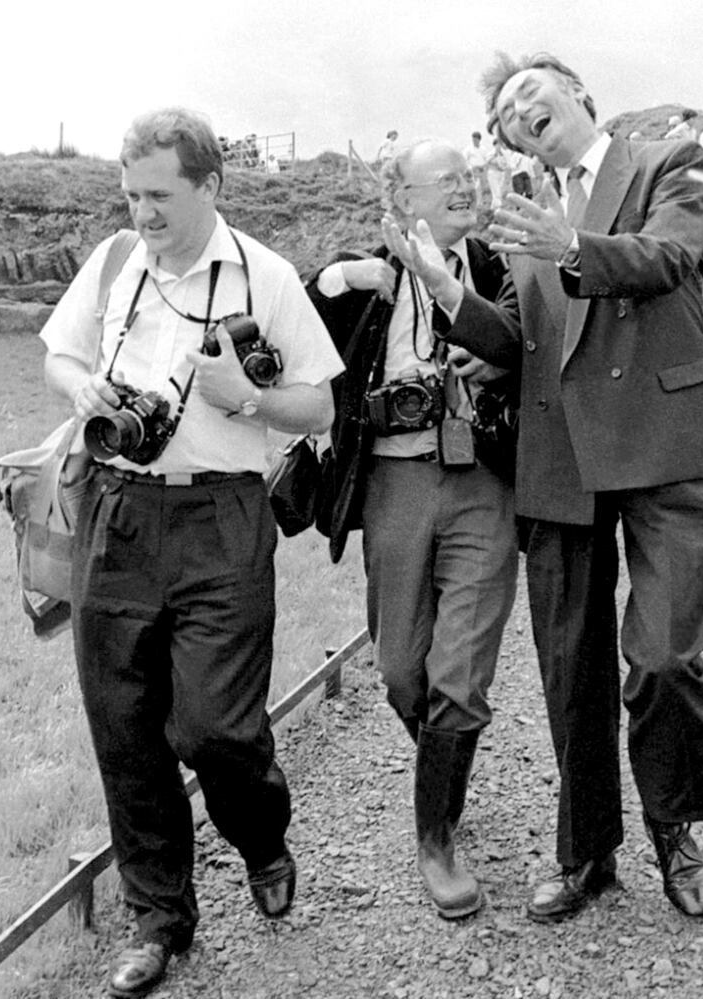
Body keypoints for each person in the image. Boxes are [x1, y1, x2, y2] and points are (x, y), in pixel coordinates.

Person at [384, 52, 703, 926]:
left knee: (664, 656)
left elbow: (669, 257)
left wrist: (572, 245)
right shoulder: (524, 213)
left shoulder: (669, 159)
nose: (519, 112)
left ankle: (674, 827)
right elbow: (523, 338)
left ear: (579, 95)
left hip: (667, 440)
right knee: (571, 668)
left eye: (530, 93)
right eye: (507, 114)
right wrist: (448, 293)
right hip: (560, 455)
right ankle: (586, 849)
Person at [39, 107, 344, 998]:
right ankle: (158, 918)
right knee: (125, 729)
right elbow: (58, 355)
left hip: (222, 517)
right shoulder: (110, 264)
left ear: (211, 186)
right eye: (131, 195)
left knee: (214, 726)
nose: (143, 213)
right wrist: (82, 383)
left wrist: (243, 399)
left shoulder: (268, 276)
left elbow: (320, 410)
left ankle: (260, 835)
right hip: (119, 513)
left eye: (160, 195)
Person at [306, 138, 519, 919]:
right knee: (402, 670)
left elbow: (524, 341)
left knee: (459, 674)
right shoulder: (369, 273)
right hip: (394, 482)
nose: (466, 187)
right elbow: (297, 317)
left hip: (481, 482)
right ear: (403, 201)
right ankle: (440, 755)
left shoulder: (496, 270)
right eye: (447, 180)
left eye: (470, 176)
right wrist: (339, 276)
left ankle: (437, 838)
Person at [464, 130, 490, 202]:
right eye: (473, 139)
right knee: (474, 186)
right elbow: (464, 159)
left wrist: (484, 167)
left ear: (479, 140)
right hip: (473, 170)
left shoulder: (483, 149)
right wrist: (470, 168)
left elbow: (487, 160)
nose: (474, 141)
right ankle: (472, 201)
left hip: (481, 170)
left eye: (475, 139)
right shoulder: (469, 149)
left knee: (481, 187)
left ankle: (480, 201)